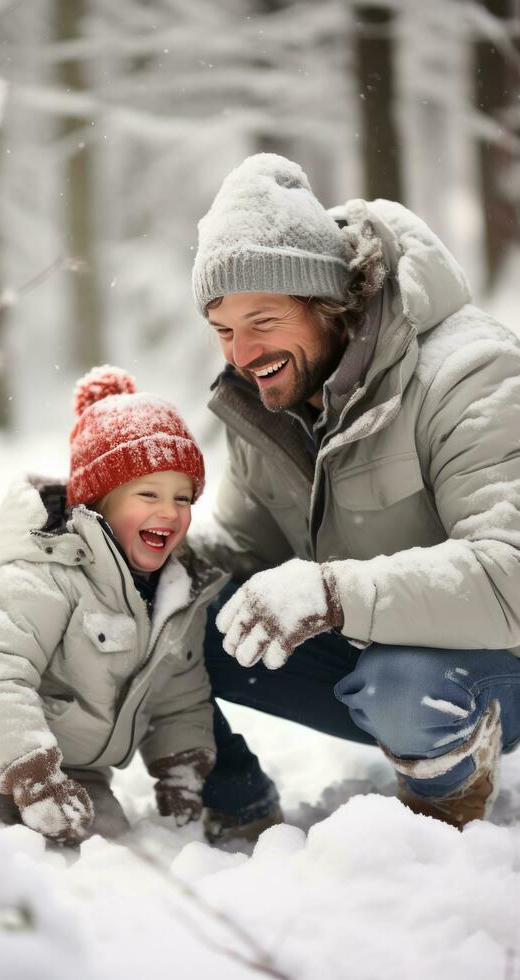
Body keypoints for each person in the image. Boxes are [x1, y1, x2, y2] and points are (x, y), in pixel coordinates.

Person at [190, 152, 520, 839]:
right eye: (224, 330)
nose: (241, 354)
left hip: (489, 671)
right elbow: (242, 555)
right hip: (369, 656)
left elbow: (511, 576)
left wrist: (333, 594)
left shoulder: (470, 375)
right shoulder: (264, 405)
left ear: (328, 304)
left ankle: (443, 823)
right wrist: (117, 545)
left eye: (263, 321)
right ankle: (231, 793)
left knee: (403, 682)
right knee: (164, 615)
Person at [0, 366, 227, 846]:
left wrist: (182, 768)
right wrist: (33, 777)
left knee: (104, 851)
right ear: (99, 504)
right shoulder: (44, 572)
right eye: (148, 494)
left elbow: (181, 696)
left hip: (84, 771)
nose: (169, 512)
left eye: (182, 497)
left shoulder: (176, 594)